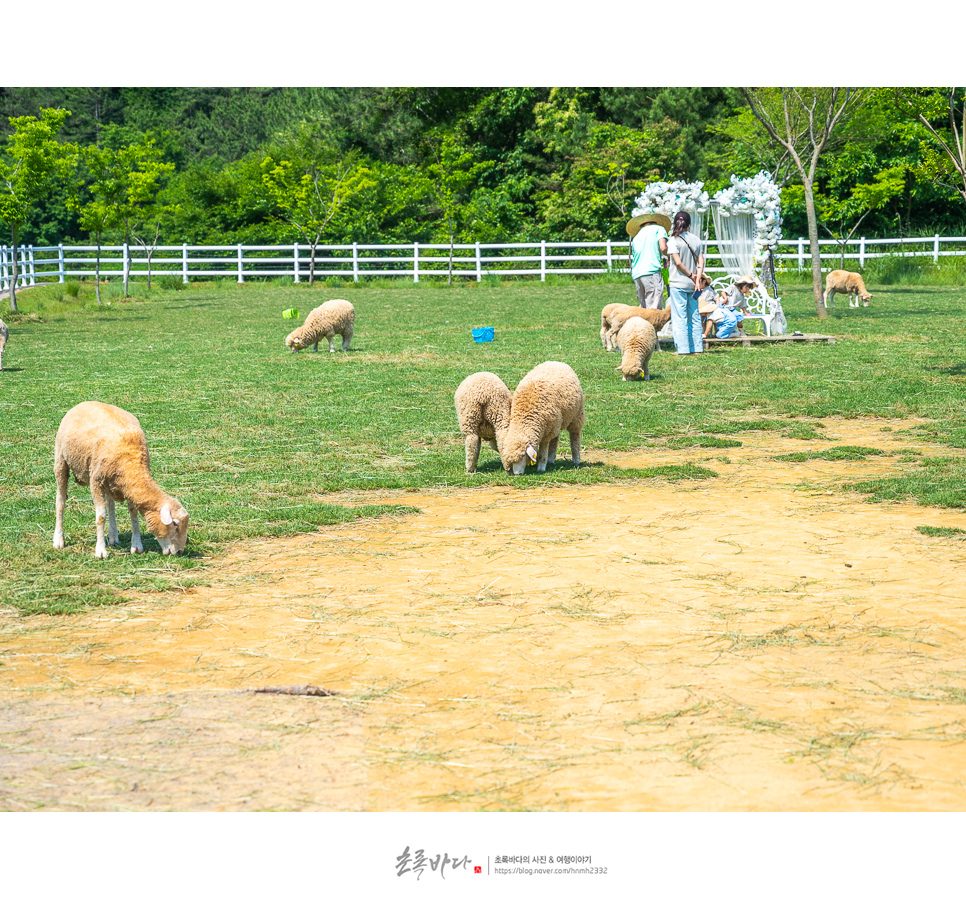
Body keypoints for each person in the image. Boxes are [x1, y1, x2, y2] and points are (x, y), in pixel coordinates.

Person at [665, 210, 706, 354]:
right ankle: (697, 348)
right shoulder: (696, 239)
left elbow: (677, 263)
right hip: (693, 285)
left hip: (678, 283)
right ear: (689, 224)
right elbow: (701, 261)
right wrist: (697, 279)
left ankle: (683, 349)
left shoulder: (673, 240)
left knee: (680, 317)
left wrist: (690, 275)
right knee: (694, 315)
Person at [626, 211, 671, 310]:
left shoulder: (636, 237)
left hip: (637, 273)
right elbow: (663, 247)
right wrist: (671, 256)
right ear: (656, 221)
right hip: (651, 271)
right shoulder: (659, 229)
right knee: (653, 309)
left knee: (644, 308)